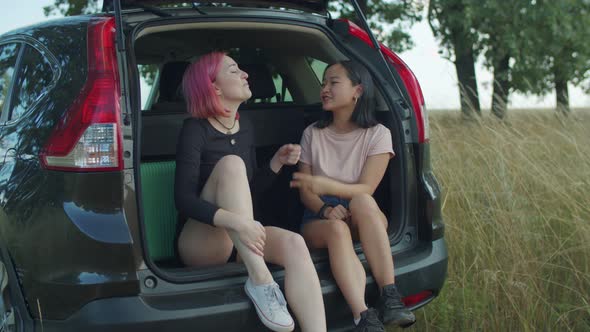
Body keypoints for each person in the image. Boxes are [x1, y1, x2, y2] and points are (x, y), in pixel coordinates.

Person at [175, 52, 326, 332]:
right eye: (234, 70)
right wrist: (239, 223)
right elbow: (183, 200)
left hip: (241, 241)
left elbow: (247, 191)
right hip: (202, 244)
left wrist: (277, 162)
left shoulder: (246, 128)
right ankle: (260, 280)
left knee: (294, 243)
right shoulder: (194, 129)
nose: (245, 74)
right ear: (214, 87)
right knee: (232, 165)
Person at [290, 60, 416, 332]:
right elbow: (306, 193)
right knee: (336, 229)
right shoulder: (312, 134)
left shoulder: (378, 134)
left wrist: (326, 184)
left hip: (361, 215)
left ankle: (390, 297)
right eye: (323, 83)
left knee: (363, 201)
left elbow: (366, 188)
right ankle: (363, 317)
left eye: (333, 82)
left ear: (357, 90)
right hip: (320, 218)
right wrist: (324, 208)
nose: (324, 88)